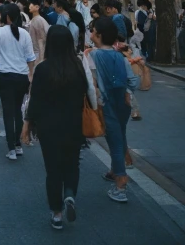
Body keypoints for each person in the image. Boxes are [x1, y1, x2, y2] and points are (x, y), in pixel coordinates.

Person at [22, 25, 96, 230]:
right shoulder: (78, 67)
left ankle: (56, 213)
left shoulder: (43, 69)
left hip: (48, 126)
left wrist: (27, 125)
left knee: (53, 169)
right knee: (72, 163)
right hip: (73, 123)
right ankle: (70, 194)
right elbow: (88, 93)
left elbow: (34, 100)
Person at [90, 16, 139, 203]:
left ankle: (121, 183)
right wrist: (128, 92)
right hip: (123, 103)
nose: (91, 33)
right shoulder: (120, 56)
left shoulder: (93, 56)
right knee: (120, 135)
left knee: (115, 142)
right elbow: (133, 80)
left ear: (99, 35)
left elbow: (90, 82)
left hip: (105, 104)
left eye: (93, 31)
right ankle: (114, 171)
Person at [0, 4, 36, 160]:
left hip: (4, 76)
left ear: (7, 17)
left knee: (8, 112)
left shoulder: (0, 33)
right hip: (22, 76)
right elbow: (31, 58)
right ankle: (17, 144)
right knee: (17, 110)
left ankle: (11, 147)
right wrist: (30, 75)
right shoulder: (25, 34)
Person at [28, 0, 50, 64]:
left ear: (37, 7)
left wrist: (41, 60)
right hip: (36, 53)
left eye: (31, 4)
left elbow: (41, 40)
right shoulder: (36, 19)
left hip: (38, 55)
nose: (29, 6)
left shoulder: (38, 20)